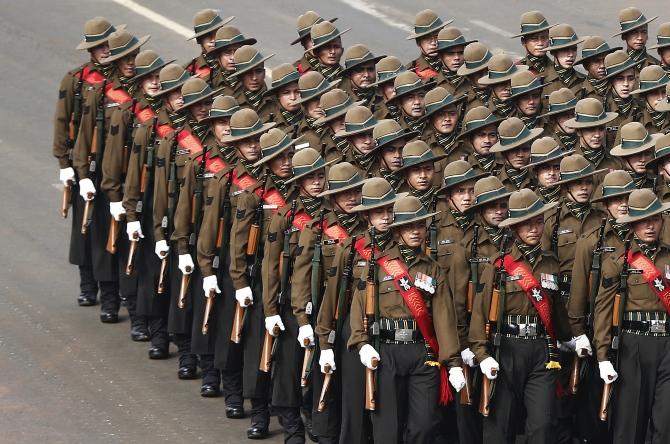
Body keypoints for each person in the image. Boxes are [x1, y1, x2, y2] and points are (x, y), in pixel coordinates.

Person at [348, 193, 464, 444]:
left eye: (420, 225)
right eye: (408, 226)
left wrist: (453, 361)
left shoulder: (433, 269)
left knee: (425, 425)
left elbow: (444, 317)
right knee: (387, 428)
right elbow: (359, 304)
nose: (415, 232)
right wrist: (361, 342)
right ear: (397, 230)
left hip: (423, 353)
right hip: (386, 351)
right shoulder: (377, 264)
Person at [469, 188, 572, 443]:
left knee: (543, 424)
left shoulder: (550, 262)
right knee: (499, 426)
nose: (534, 229)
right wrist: (482, 355)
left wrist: (570, 338)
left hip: (542, 349)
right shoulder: (499, 266)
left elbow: (557, 308)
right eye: (526, 224)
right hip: (506, 349)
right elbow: (480, 314)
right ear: (514, 228)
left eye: (538, 222)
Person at [73, 29, 150, 323]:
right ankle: (108, 298)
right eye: (124, 58)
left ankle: (135, 306)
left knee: (137, 248)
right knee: (107, 244)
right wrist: (81, 173)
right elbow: (84, 134)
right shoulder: (101, 92)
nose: (130, 62)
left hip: (142, 182)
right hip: (110, 180)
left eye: (133, 56)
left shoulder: (147, 92)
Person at [263, 147, 335, 443]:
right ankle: (291, 426)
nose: (317, 183)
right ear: (299, 181)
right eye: (310, 178)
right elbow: (271, 265)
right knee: (290, 368)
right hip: (293, 301)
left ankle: (315, 416)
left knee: (320, 367)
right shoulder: (285, 216)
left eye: (320, 176)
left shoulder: (334, 217)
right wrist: (270, 311)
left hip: (325, 303)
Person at [292, 162, 366, 444]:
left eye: (355, 191)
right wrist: (302, 319)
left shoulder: (366, 229)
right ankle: (323, 428)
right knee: (324, 373)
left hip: (355, 312)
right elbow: (301, 277)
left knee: (350, 376)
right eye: (344, 192)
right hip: (324, 310)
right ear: (332, 196)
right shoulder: (317, 229)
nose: (351, 198)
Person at [101, 49, 171, 342]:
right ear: (139, 82)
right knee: (134, 262)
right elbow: (115, 161)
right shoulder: (128, 114)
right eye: (149, 78)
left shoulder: (171, 121)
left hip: (163, 200)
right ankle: (137, 317)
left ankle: (158, 324)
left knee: (158, 266)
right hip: (137, 196)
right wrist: (120, 201)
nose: (155, 83)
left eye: (159, 77)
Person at [53, 16, 121, 307]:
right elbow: (62, 120)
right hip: (85, 164)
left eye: (107, 44)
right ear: (90, 51)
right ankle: (87, 284)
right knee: (85, 226)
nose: (105, 50)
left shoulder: (124, 82)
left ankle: (109, 291)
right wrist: (65, 163)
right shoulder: (77, 80)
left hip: (116, 167)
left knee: (109, 229)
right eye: (99, 46)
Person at [123, 63, 190, 361]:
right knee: (156, 277)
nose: (180, 98)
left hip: (189, 215)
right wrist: (131, 214)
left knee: (183, 280)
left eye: (183, 92)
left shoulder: (196, 135)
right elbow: (134, 174)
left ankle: (185, 344)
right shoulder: (150, 130)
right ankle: (158, 334)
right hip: (156, 211)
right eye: (174, 93)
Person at [595, 188, 670, 443]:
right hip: (633, 345)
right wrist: (603, 355)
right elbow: (603, 309)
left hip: (667, 344)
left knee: (665, 423)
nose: (650, 226)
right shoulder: (619, 262)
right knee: (630, 424)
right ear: (633, 224)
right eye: (643, 221)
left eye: (655, 219)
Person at [567, 169, 635, 444]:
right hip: (599, 330)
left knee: (629, 402)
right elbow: (579, 291)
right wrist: (577, 330)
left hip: (632, 331)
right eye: (617, 199)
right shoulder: (591, 240)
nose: (623, 204)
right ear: (606, 205)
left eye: (627, 197)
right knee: (595, 402)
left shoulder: (644, 235)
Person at [564, 98, 622, 172]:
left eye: (601, 129)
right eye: (591, 129)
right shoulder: (568, 163)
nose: (597, 135)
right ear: (579, 131)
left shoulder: (616, 161)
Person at [419, 87, 468, 172]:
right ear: (430, 119)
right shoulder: (422, 148)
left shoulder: (468, 144)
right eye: (440, 114)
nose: (447, 119)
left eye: (452, 113)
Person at [489, 116, 542, 191]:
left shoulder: (541, 177)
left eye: (525, 149)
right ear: (504, 153)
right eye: (514, 150)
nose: (520, 155)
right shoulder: (494, 183)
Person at [602, 50, 642, 148]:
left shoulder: (643, 107)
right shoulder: (601, 110)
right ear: (611, 81)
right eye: (620, 79)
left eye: (630, 78)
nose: (626, 84)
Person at [294, 71, 338, 154]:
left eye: (324, 98)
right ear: (305, 103)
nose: (320, 104)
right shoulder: (295, 134)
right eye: (314, 99)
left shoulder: (340, 125)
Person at [185, 9, 234, 84]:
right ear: (199, 40)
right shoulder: (191, 70)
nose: (213, 40)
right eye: (208, 36)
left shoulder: (238, 60)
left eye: (217, 33)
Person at [313, 88, 361, 162]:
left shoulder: (368, 140)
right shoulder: (320, 148)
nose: (344, 122)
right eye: (338, 118)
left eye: (348, 116)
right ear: (328, 122)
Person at [231, 45, 276, 122]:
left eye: (258, 71)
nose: (254, 78)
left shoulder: (276, 101)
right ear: (240, 77)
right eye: (248, 73)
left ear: (264, 73)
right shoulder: (232, 105)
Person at [208, 25, 256, 96]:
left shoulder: (254, 79)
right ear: (218, 56)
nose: (233, 57)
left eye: (237, 51)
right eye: (227, 52)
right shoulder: (210, 83)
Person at [609, 122, 659, 189]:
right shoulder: (612, 185)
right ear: (624, 157)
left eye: (647, 154)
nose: (643, 159)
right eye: (636, 154)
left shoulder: (660, 181)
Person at [333, 105, 379, 177]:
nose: (368, 141)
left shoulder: (386, 161)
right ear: (349, 138)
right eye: (361, 136)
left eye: (371, 135)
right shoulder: (342, 166)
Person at [372, 118, 418, 190]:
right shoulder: (370, 184)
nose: (398, 155)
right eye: (390, 150)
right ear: (379, 153)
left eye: (401, 149)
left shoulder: (416, 179)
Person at [456, 106, 503, 176]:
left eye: (492, 135)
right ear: (470, 139)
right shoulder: (461, 168)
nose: (487, 140)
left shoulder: (506, 163)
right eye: (481, 135)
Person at [397, 140, 444, 209]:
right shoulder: (398, 204)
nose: (423, 176)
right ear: (406, 173)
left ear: (434, 170)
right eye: (416, 170)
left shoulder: (446, 201)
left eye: (428, 169)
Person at [522, 137, 571, 203]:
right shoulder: (530, 202)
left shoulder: (572, 198)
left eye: (557, 168)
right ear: (535, 172)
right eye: (545, 168)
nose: (552, 173)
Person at [543, 24, 586, 98]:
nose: (571, 54)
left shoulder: (584, 81)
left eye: (574, 49)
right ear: (553, 52)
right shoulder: (541, 81)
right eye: (565, 49)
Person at [405, 9, 451, 79]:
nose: (433, 42)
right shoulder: (411, 72)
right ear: (418, 42)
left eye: (436, 36)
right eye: (427, 38)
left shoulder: (458, 60)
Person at [479, 54, 528, 118]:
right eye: (501, 83)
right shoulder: (482, 114)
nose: (508, 88)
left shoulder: (528, 108)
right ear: (492, 85)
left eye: (511, 82)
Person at [613, 6, 660, 71]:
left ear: (647, 35)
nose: (640, 38)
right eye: (634, 32)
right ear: (624, 36)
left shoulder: (657, 66)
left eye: (644, 32)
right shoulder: (616, 65)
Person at [576, 36, 621, 103]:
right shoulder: (579, 93)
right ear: (586, 66)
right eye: (596, 61)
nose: (602, 66)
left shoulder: (620, 86)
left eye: (605, 59)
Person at [291, 11, 337, 75]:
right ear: (303, 43)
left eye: (321, 36)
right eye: (312, 38)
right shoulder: (295, 72)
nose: (318, 43)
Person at [339, 44, 383, 110]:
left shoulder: (384, 96)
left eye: (370, 69)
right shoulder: (340, 98)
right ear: (349, 74)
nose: (366, 75)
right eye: (359, 70)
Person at [434, 27, 475, 96]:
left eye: (460, 53)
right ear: (441, 56)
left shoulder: (475, 81)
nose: (456, 58)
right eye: (450, 53)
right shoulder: (432, 85)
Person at [264, 63, 303, 134]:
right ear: (278, 96)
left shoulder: (313, 117)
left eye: (297, 92)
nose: (293, 97)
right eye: (286, 93)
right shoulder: (269, 125)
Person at [630, 65, 670, 133]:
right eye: (654, 93)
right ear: (644, 96)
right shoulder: (631, 126)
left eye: (664, 92)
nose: (660, 98)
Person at [513, 10, 554, 75]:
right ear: (523, 41)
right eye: (534, 39)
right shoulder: (515, 72)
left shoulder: (558, 70)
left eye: (544, 37)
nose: (540, 43)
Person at [456, 42, 493, 112]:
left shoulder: (502, 93)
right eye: (478, 72)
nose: (484, 75)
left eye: (487, 70)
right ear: (469, 75)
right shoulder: (461, 101)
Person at [370, 56, 406, 120]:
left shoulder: (421, 107)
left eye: (400, 82)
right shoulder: (374, 118)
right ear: (382, 89)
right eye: (391, 84)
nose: (396, 88)